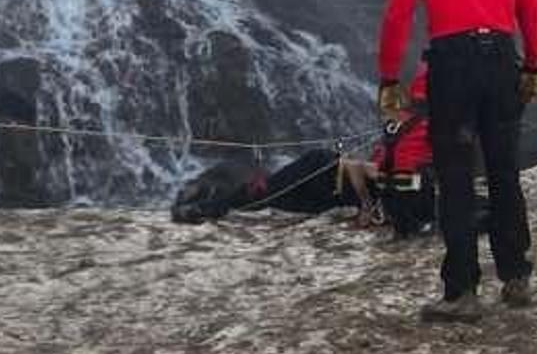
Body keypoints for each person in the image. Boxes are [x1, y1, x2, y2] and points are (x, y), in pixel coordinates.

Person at [377, 0, 537, 322]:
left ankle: (462, 293)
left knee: (455, 178)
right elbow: (534, 9)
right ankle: (516, 277)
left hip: (452, 67)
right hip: (501, 60)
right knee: (504, 172)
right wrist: (532, 66)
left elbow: (397, 17)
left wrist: (389, 77)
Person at [171, 70, 438, 239]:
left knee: (287, 186)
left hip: (353, 187)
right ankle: (213, 202)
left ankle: (212, 202)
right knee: (276, 195)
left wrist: (363, 176)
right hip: (347, 185)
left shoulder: (419, 126)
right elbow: (393, 169)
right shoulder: (419, 126)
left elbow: (399, 172)